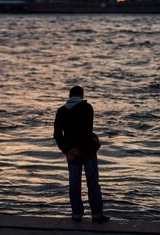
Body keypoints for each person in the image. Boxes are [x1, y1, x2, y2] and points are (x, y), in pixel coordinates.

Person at [54, 86, 109, 223]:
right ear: (81, 95)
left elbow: (57, 134)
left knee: (74, 183)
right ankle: (96, 215)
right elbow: (87, 131)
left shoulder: (61, 111)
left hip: (71, 153)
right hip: (88, 151)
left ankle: (76, 214)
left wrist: (67, 150)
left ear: (69, 96)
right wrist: (80, 148)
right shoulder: (87, 108)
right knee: (93, 183)